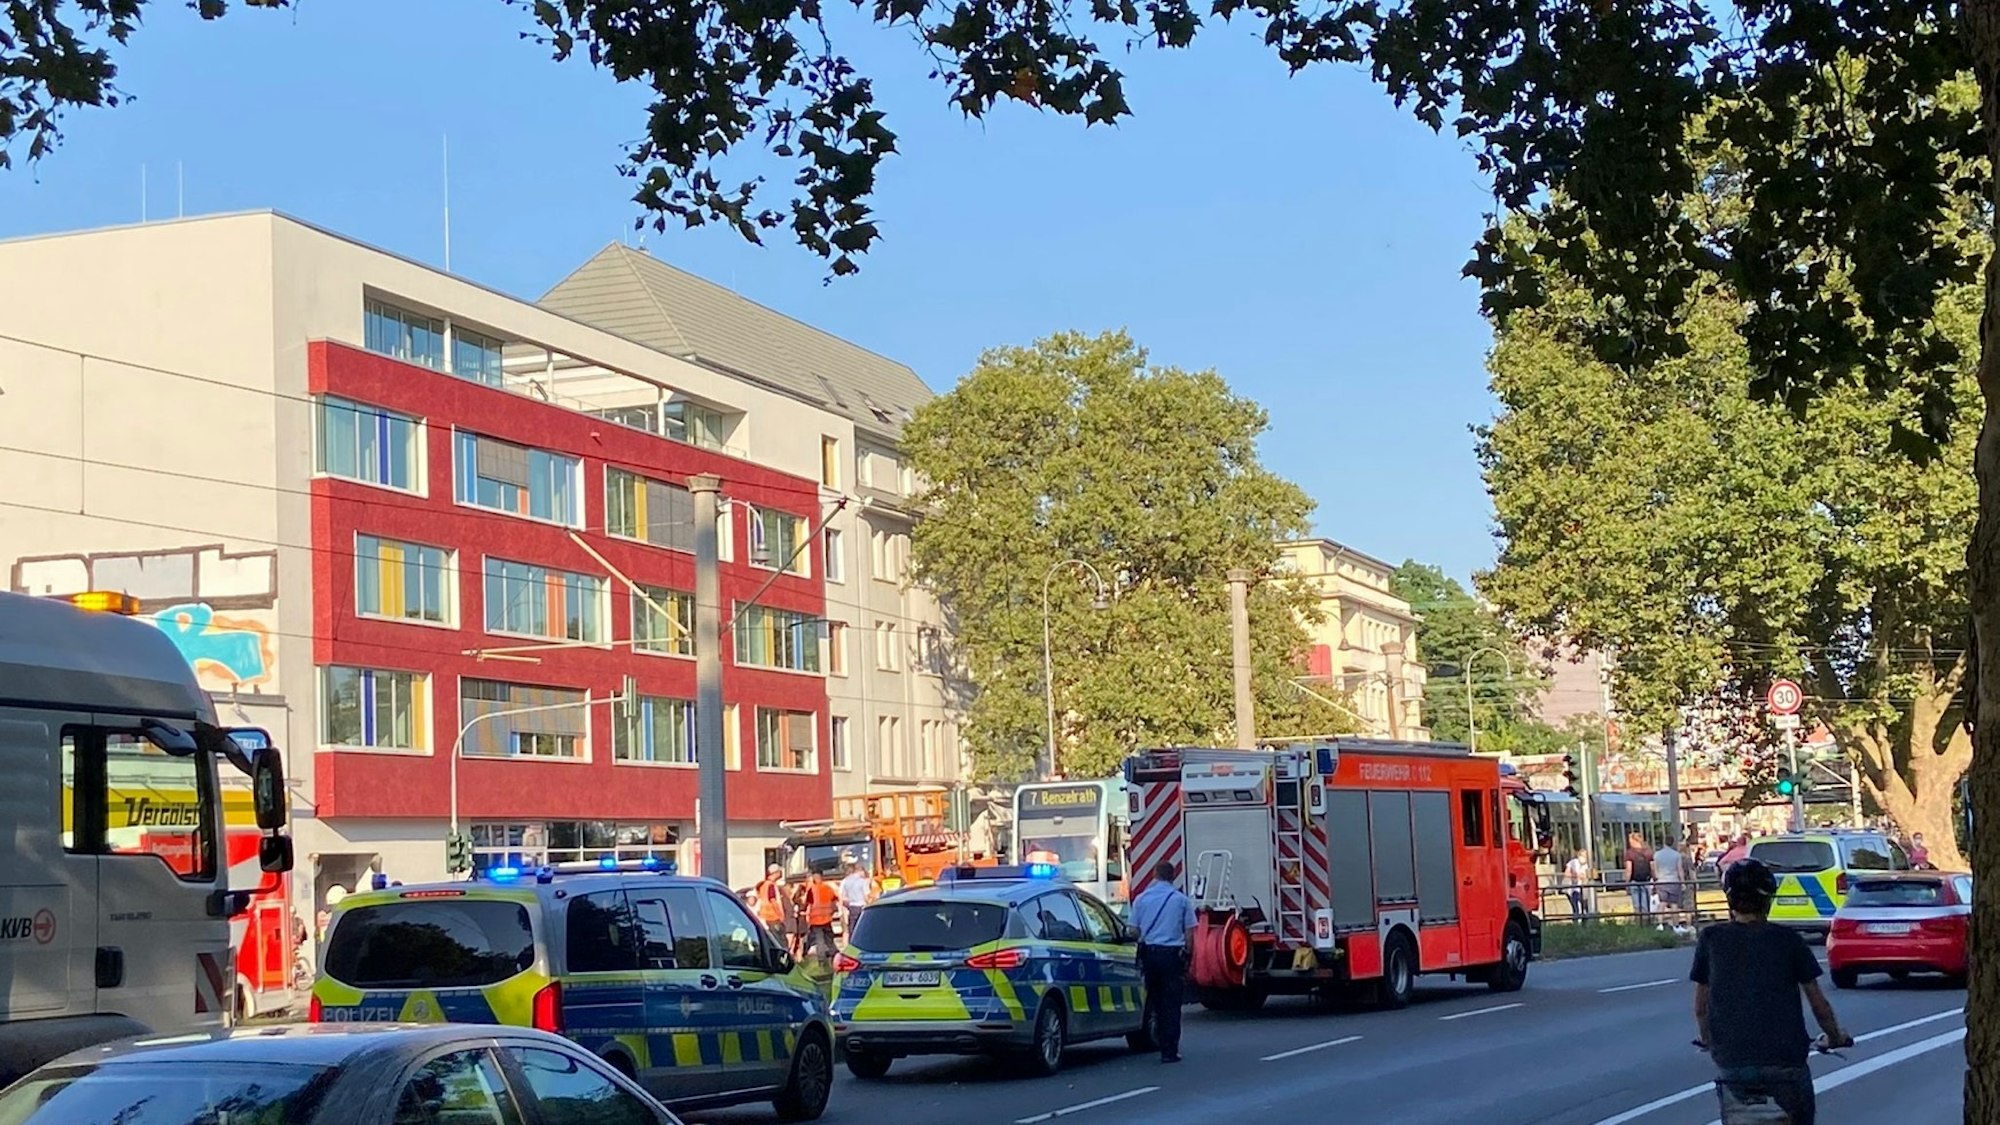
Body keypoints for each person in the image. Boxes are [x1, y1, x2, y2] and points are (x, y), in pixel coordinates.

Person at [1693, 858, 1853, 1125]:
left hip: (1733, 1062)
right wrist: (1835, 1036)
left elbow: (1701, 1007)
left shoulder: (1711, 939)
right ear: (1768, 899)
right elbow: (1819, 1004)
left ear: (1729, 899)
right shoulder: (1788, 940)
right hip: (1785, 1062)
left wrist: (1708, 1039)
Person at [1129, 860, 1196, 1064]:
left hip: (1150, 956)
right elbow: (1189, 934)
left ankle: (1158, 1039)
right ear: (1172, 876)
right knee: (1172, 1004)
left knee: (1156, 1002)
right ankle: (1170, 1050)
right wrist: (1188, 957)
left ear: (1154, 875)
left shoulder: (1141, 899)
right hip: (1172, 957)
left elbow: (1133, 931)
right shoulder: (1181, 900)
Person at [801, 870, 840, 959]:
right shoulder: (828, 888)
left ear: (814, 879)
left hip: (816, 920)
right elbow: (834, 900)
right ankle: (834, 955)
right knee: (829, 939)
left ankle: (822, 959)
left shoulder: (812, 890)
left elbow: (807, 904)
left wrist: (803, 911)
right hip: (827, 918)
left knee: (819, 940)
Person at [1623, 833, 1656, 921]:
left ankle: (1638, 922)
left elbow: (1629, 869)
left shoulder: (1630, 853)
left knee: (1636, 905)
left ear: (1634, 841)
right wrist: (1654, 879)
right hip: (1646, 880)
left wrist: (1626, 882)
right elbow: (1652, 867)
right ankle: (1646, 922)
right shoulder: (1648, 852)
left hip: (1634, 881)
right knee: (1646, 904)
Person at [1654, 834, 1686, 919]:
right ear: (1672, 843)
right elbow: (1680, 869)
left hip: (1662, 881)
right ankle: (1675, 923)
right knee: (1674, 904)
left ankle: (1660, 923)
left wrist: (1657, 877)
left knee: (1662, 903)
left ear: (1664, 842)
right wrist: (1682, 882)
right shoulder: (1676, 855)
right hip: (1673, 881)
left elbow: (1655, 869)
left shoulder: (1657, 855)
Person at [753, 864, 790, 936]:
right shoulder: (770, 885)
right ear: (775, 873)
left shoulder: (764, 884)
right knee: (779, 939)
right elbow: (773, 900)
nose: (781, 873)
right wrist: (780, 915)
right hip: (773, 917)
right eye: (779, 871)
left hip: (765, 916)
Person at [839, 860, 874, 933]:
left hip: (852, 907)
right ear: (860, 871)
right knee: (863, 927)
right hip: (862, 906)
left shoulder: (845, 881)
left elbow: (843, 897)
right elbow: (866, 896)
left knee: (853, 928)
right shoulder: (863, 881)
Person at [1563, 849, 1591, 919]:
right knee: (1575, 908)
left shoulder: (1587, 865)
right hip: (1572, 889)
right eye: (1582, 855)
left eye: (1585, 856)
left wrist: (1585, 877)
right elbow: (1566, 873)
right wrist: (1576, 875)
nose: (1584, 858)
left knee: (1585, 907)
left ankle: (1585, 922)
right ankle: (1576, 921)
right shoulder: (1573, 862)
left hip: (1583, 889)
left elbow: (1588, 876)